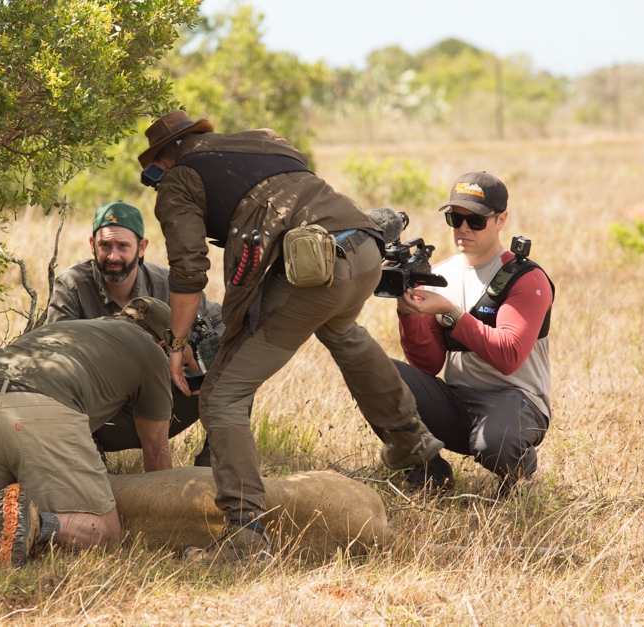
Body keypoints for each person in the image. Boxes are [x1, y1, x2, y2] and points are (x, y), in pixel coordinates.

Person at [138, 110, 444, 561]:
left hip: (313, 269)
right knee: (344, 334)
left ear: (161, 160)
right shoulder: (264, 142)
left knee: (222, 396)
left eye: (151, 175)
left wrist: (177, 344)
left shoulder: (178, 179)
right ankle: (417, 452)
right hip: (364, 250)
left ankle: (244, 537)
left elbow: (188, 271)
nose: (155, 182)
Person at [0, 297, 173, 568]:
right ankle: (38, 522)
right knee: (104, 533)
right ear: (163, 342)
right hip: (36, 408)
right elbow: (157, 449)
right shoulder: (153, 352)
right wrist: (166, 514)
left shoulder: (75, 328)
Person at [392, 171, 553, 494]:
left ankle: (520, 464)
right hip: (456, 399)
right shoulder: (439, 275)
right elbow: (427, 364)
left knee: (492, 443)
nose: (463, 228)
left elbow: (508, 356)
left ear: (501, 220)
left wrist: (450, 311)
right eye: (455, 218)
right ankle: (429, 470)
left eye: (476, 220)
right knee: (375, 372)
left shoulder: (526, 279)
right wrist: (407, 310)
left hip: (516, 400)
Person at [48, 200, 223, 465]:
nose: (113, 256)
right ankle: (90, 465)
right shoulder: (72, 285)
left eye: (123, 246)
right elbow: (55, 354)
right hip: (104, 410)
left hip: (167, 400)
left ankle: (215, 470)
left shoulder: (168, 284)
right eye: (105, 245)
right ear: (92, 244)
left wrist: (206, 369)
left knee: (233, 378)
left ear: (141, 248)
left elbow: (221, 325)